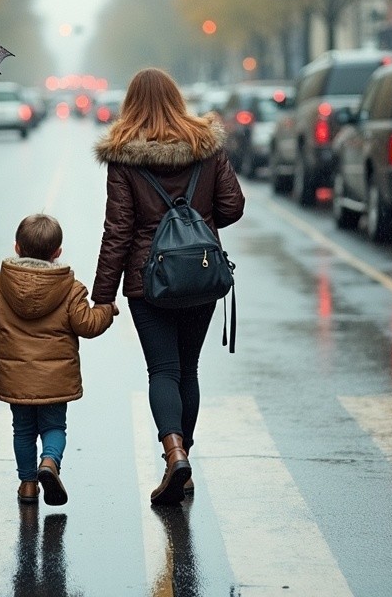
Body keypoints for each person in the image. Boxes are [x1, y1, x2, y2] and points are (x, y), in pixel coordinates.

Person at [91, 68, 245, 506]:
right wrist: (198, 217)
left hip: (148, 281)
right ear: (178, 99)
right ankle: (184, 464)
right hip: (199, 273)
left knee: (162, 371)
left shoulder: (124, 156)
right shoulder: (206, 145)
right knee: (189, 369)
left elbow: (117, 231)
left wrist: (103, 296)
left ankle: (173, 452)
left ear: (130, 104)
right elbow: (232, 206)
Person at [0, 213, 115, 506]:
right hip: (56, 381)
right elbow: (88, 325)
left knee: (23, 430)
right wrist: (106, 309)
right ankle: (50, 463)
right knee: (54, 428)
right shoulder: (70, 288)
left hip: (15, 379)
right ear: (57, 252)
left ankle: (28, 485)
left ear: (17, 247)